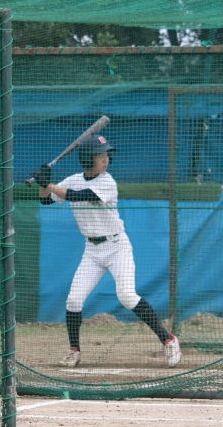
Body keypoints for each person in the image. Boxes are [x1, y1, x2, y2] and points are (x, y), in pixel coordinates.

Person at [31, 135, 182, 368]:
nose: (106, 160)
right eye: (100, 156)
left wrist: (49, 184)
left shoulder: (107, 182)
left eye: (106, 155)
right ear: (87, 159)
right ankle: (74, 351)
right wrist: (43, 185)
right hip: (92, 251)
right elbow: (46, 201)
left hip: (116, 247)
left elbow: (81, 196)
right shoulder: (73, 180)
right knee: (74, 300)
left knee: (127, 296)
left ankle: (168, 340)